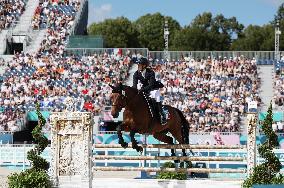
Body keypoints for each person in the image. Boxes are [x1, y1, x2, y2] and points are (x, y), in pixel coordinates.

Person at [132, 57, 167, 125]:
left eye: (139, 65)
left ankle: (162, 115)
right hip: (144, 89)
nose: (138, 66)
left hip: (153, 89)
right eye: (138, 65)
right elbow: (134, 86)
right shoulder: (136, 74)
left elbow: (151, 85)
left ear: (144, 66)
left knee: (156, 96)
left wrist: (141, 90)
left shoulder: (151, 72)